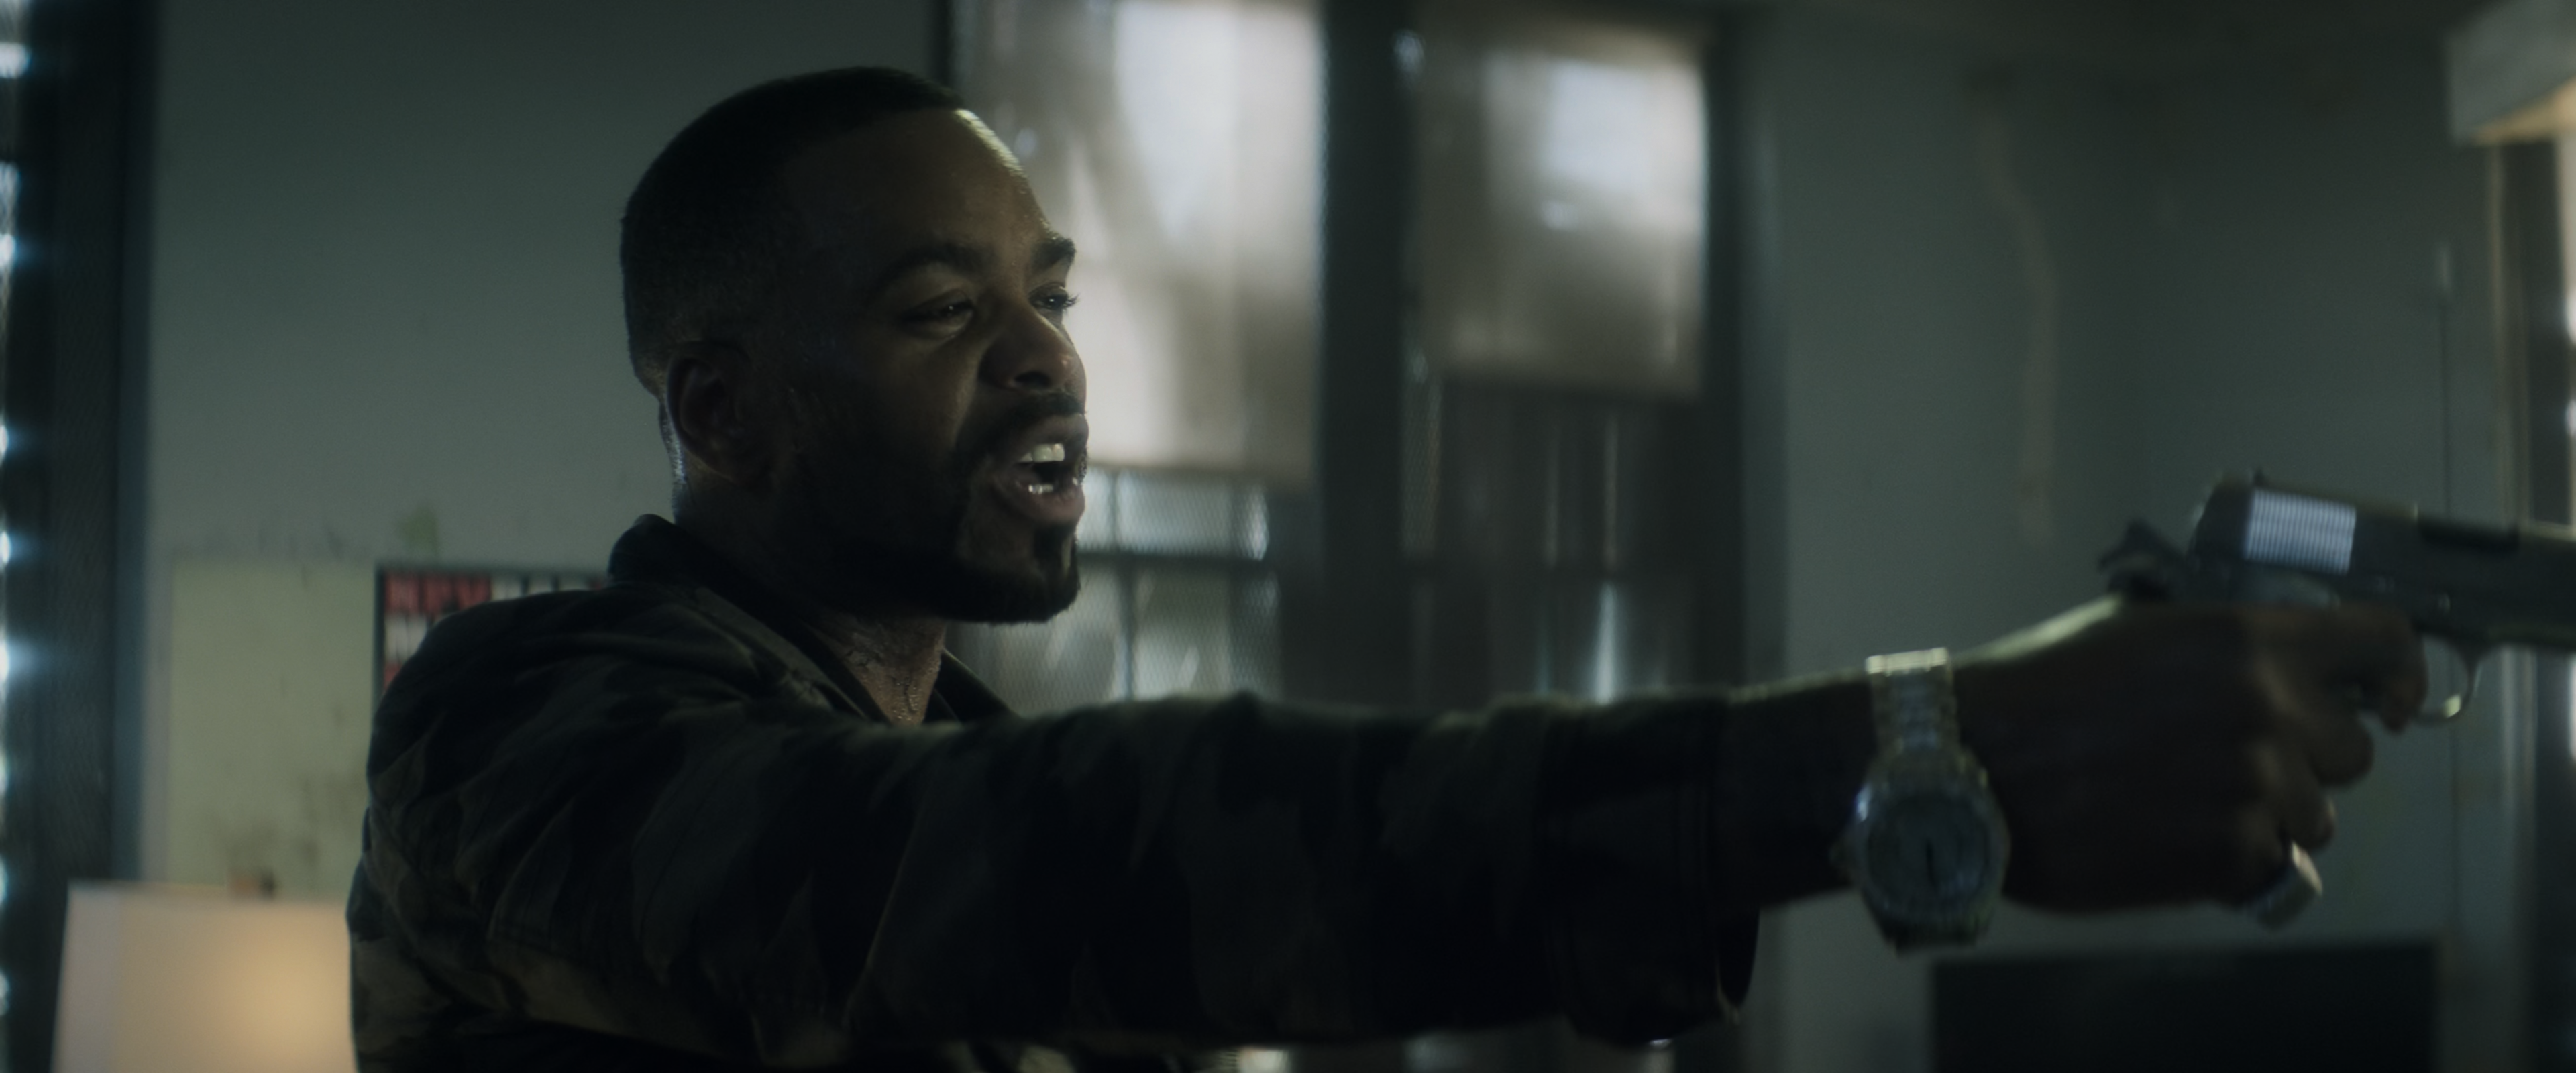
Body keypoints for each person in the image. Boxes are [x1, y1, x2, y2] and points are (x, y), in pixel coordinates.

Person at [345, 67, 2427, 1072]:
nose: (1048, 359)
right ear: (723, 415)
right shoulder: (515, 731)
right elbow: (1084, 861)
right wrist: (1897, 757)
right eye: (938, 310)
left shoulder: (938, 748)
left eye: (1049, 294)